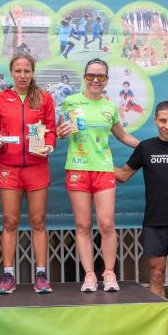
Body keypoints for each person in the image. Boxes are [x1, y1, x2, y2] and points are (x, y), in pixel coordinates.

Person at [114, 101, 168, 335]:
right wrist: (95, 164)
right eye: (163, 120)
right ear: (155, 121)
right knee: (156, 275)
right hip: (154, 222)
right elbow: (123, 175)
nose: (167, 125)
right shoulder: (146, 148)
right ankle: (158, 330)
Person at [56, 58, 139, 292]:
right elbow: (59, 131)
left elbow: (123, 136)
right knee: (83, 224)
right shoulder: (70, 102)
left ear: (106, 80)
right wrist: (61, 132)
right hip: (77, 168)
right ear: (84, 77)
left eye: (100, 76)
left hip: (103, 169)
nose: (95, 80)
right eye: (91, 75)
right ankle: (90, 275)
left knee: (107, 223)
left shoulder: (109, 107)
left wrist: (148, 147)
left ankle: (109, 274)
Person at [0, 54, 57, 294]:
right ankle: (8, 276)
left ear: (33, 72)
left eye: (27, 71)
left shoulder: (45, 98)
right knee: (10, 222)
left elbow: (50, 130)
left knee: (38, 222)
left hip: (37, 168)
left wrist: (49, 145)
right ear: (11, 72)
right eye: (18, 71)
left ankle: (41, 275)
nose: (22, 75)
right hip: (10, 168)